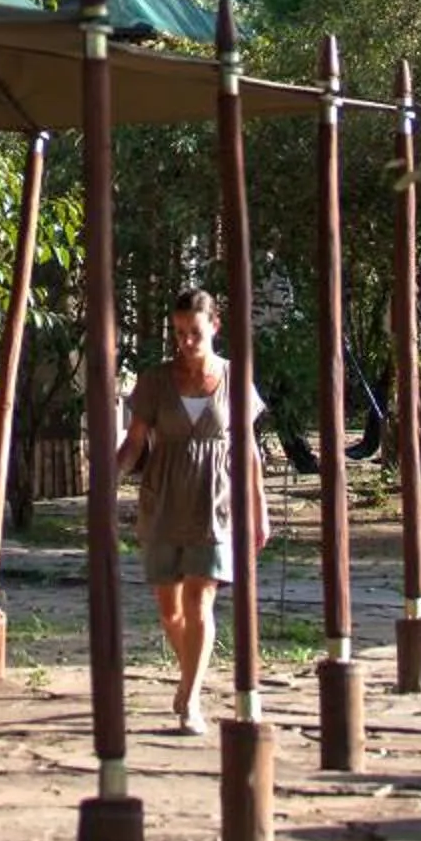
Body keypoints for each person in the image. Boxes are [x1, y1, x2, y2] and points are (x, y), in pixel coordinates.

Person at [117, 288, 265, 735]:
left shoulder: (235, 378)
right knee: (170, 610)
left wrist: (259, 509)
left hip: (215, 503)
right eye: (179, 332)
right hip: (163, 500)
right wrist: (109, 479)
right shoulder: (155, 381)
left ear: (214, 326)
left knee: (200, 601)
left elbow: (249, 450)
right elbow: (135, 442)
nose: (185, 341)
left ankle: (191, 698)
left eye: (194, 332)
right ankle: (190, 676)